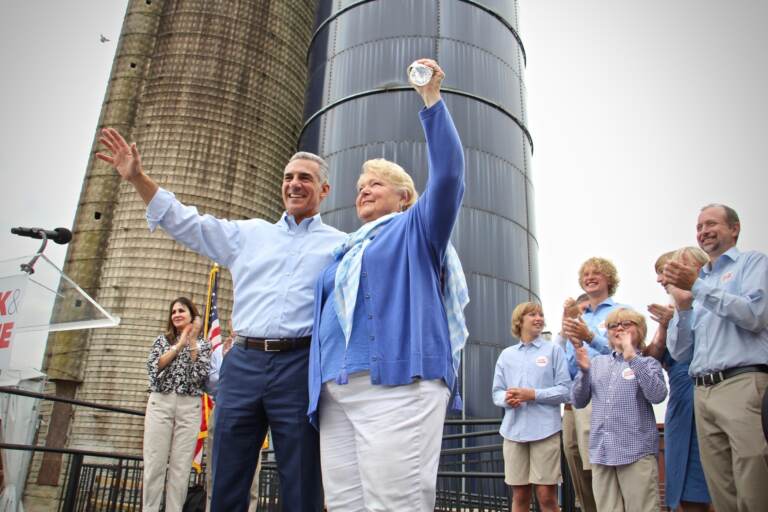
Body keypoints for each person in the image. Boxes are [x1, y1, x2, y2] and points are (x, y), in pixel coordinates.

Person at [97, 128, 345, 511]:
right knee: (227, 473)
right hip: (243, 364)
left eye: (305, 178)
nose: (294, 184)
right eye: (288, 177)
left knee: (302, 475)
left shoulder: (339, 246)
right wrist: (137, 178)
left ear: (324, 190)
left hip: (300, 364)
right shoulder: (248, 234)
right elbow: (187, 223)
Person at [306, 59, 467, 511]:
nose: (363, 190)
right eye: (359, 186)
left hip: (396, 387)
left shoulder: (416, 229)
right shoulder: (344, 249)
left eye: (375, 183)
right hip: (337, 392)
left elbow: (450, 176)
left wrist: (431, 100)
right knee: (344, 506)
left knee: (396, 505)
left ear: (405, 197)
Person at [664, 203, 768, 511]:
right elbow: (681, 351)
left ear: (734, 229)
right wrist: (683, 308)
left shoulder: (752, 264)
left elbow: (754, 315)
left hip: (741, 383)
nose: (703, 232)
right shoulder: (697, 285)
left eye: (711, 224)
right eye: (699, 227)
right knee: (721, 489)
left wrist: (697, 287)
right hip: (703, 391)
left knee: (753, 480)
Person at [572, 308, 667, 512]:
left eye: (626, 324)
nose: (619, 329)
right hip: (602, 453)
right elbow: (578, 401)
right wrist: (584, 371)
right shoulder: (597, 363)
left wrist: (632, 356)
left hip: (636, 452)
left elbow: (657, 395)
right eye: (613, 325)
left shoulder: (648, 363)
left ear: (640, 330)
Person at [645, 248, 711, 512]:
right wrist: (664, 325)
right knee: (682, 483)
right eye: (659, 274)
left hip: (706, 392)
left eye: (665, 272)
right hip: (680, 402)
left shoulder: (710, 305)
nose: (661, 280)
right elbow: (654, 358)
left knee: (714, 478)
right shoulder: (671, 314)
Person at [559, 258, 627, 512]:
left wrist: (590, 337)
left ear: (609, 278)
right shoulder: (578, 318)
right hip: (580, 394)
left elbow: (625, 352)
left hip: (608, 393)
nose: (590, 277)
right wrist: (575, 342)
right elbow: (569, 361)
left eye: (596, 273)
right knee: (578, 461)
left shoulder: (620, 312)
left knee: (601, 465)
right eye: (585, 273)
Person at [492, 302, 571, 512]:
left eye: (541, 314)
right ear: (519, 321)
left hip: (545, 432)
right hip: (513, 432)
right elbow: (496, 392)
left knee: (546, 496)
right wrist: (506, 399)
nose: (539, 318)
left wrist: (533, 395)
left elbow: (566, 391)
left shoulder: (554, 351)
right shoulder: (506, 355)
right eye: (532, 314)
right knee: (520, 495)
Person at [144, 297, 211, 512]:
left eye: (182, 310)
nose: (176, 314)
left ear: (192, 316)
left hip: (189, 405)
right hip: (161, 401)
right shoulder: (162, 341)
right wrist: (179, 344)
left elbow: (199, 376)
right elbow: (155, 368)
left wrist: (191, 342)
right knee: (155, 464)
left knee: (180, 468)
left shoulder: (203, 345)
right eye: (173, 311)